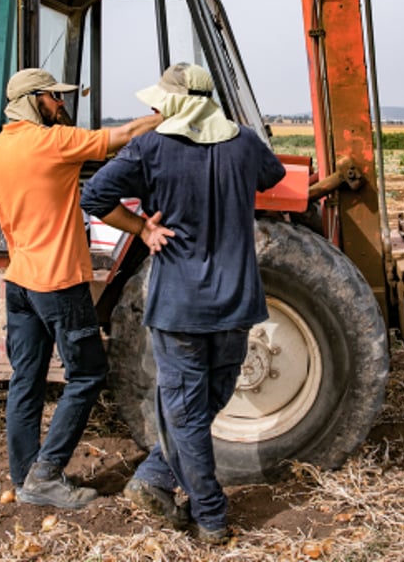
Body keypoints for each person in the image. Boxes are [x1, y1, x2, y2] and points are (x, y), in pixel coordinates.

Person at [81, 62, 286, 543]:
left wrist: (141, 228)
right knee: (207, 400)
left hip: (180, 303)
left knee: (190, 407)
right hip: (236, 300)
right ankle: (156, 477)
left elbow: (94, 194)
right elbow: (271, 175)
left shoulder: (151, 147)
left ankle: (208, 513)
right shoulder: (244, 141)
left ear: (173, 103)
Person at [0, 68, 167, 509]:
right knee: (86, 374)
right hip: (58, 282)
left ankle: (25, 477)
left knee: (26, 379)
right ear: (33, 100)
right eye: (54, 98)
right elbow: (121, 135)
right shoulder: (52, 143)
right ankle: (46, 475)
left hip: (19, 282)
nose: (61, 105)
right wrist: (162, 115)